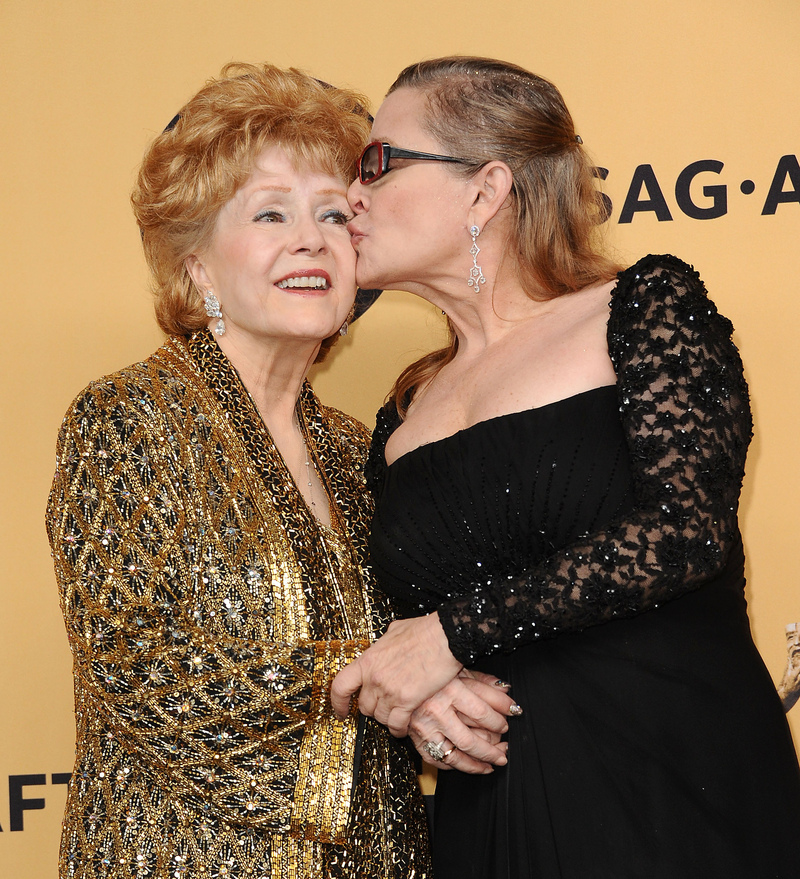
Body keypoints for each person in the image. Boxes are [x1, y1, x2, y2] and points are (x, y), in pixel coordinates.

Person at [331, 56, 800, 878]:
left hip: (673, 784)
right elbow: (394, 633)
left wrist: (454, 633)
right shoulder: (401, 413)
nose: (351, 196)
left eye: (378, 162)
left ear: (486, 189)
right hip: (494, 817)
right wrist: (425, 701)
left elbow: (685, 532)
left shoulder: (644, 308)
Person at [46, 62, 438, 879]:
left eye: (335, 213)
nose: (312, 238)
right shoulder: (129, 416)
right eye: (271, 213)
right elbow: (139, 663)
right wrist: (354, 684)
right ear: (196, 265)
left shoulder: (354, 447)